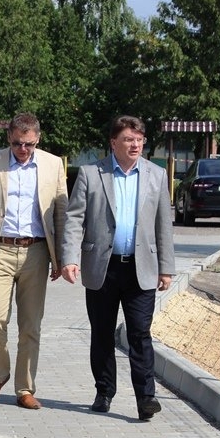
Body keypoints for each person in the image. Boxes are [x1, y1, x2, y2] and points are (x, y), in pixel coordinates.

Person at [58, 115, 176, 421]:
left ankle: (146, 397)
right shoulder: (91, 173)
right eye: (128, 139)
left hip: (141, 268)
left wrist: (166, 268)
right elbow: (74, 218)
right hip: (103, 267)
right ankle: (104, 391)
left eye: (139, 139)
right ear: (113, 143)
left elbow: (164, 224)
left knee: (140, 333)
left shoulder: (156, 175)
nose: (135, 145)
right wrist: (69, 258)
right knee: (102, 333)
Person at [0, 113, 68, 410]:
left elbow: (61, 213)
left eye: (29, 144)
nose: (23, 149)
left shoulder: (52, 165)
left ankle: (25, 388)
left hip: (37, 251)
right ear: (9, 137)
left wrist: (61, 257)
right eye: (17, 143)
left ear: (38, 139)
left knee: (30, 324)